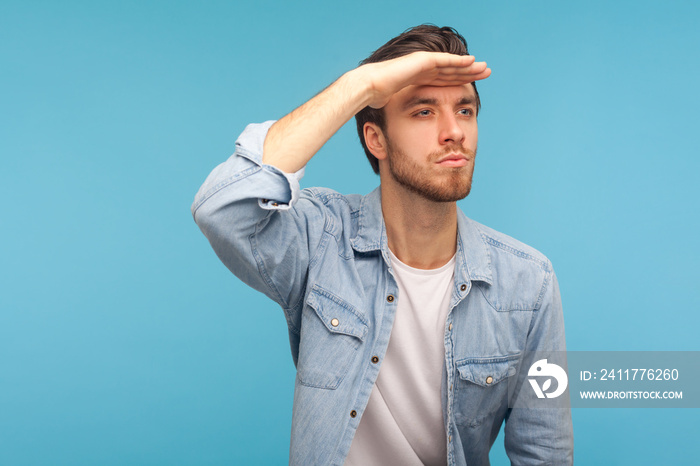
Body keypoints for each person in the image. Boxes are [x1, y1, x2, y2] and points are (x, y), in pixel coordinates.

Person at [191, 24, 573, 466]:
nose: (455, 132)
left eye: (465, 111)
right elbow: (221, 209)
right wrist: (363, 84)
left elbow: (544, 453)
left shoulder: (529, 283)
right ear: (376, 139)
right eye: (424, 112)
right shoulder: (322, 240)